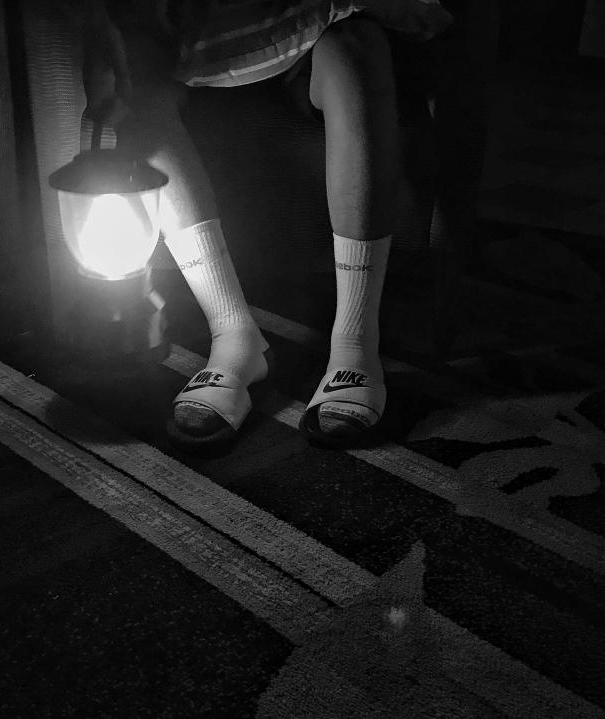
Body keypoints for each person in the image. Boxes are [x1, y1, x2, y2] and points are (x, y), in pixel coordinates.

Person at [81, 0, 453, 453]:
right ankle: (234, 335)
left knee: (355, 47)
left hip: (323, 37)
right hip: (200, 36)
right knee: (129, 73)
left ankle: (356, 341)